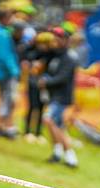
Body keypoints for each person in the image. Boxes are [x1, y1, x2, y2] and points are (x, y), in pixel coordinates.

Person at [40, 27, 78, 168]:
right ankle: (60, 153)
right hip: (53, 96)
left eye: (58, 39)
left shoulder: (70, 57)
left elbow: (63, 77)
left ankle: (69, 155)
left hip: (62, 97)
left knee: (50, 120)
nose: (55, 41)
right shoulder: (54, 54)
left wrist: (46, 81)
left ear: (66, 40)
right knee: (55, 124)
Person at [0, 8, 20, 138]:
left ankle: (1, 125)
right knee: (9, 100)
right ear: (4, 18)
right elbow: (4, 56)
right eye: (11, 17)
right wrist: (14, 71)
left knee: (5, 99)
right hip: (6, 73)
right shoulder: (1, 34)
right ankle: (4, 126)